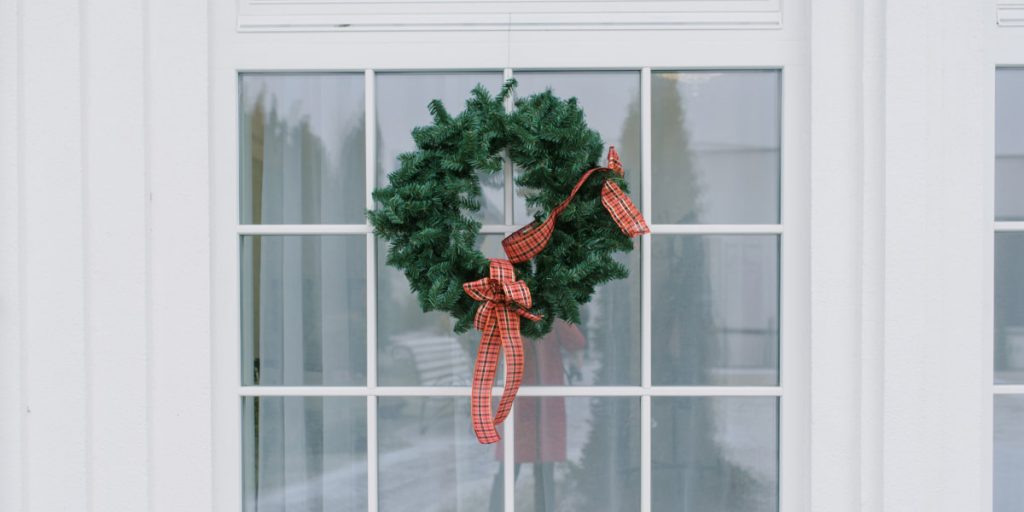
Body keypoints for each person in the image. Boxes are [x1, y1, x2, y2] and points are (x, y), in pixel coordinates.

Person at [488, 320, 586, 511]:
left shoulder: (531, 309)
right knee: (526, 471)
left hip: (534, 405)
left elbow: (576, 341)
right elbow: (576, 341)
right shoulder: (544, 311)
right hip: (528, 405)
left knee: (525, 470)